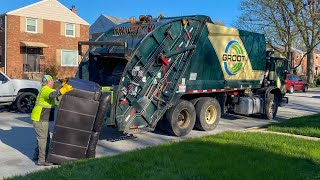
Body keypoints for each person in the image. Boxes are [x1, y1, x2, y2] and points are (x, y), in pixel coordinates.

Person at [31, 75, 73, 166]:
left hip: (40, 118)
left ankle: (36, 155)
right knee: (43, 140)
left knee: (43, 138)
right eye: (52, 81)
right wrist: (64, 89)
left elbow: (56, 94)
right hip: (40, 119)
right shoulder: (46, 89)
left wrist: (62, 86)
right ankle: (42, 160)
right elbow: (53, 94)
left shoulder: (45, 89)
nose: (53, 82)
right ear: (49, 81)